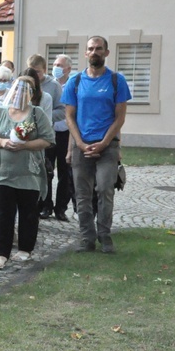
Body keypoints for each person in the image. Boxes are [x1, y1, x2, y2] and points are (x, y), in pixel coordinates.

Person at [0, 76, 55, 269]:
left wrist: (26, 145)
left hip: (28, 172)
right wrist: (1, 142)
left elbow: (47, 140)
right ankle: (1, 254)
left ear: (31, 94)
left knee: (28, 212)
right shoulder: (0, 112)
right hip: (2, 172)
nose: (20, 93)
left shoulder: (36, 113)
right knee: (4, 213)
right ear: (11, 91)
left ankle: (25, 249)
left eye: (26, 90)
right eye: (17, 89)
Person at [62, 36, 131, 253]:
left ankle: (105, 236)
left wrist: (104, 143)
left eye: (99, 49)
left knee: (104, 189)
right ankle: (86, 238)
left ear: (106, 53)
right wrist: (80, 145)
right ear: (85, 53)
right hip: (82, 145)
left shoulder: (117, 81)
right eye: (90, 49)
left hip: (108, 146)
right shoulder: (75, 82)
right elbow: (69, 117)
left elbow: (119, 117)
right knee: (82, 194)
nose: (94, 52)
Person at [47, 54, 75, 221]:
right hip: (50, 132)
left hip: (66, 133)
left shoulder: (72, 85)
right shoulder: (49, 85)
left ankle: (61, 208)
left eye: (60, 65)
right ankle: (46, 206)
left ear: (68, 69)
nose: (56, 67)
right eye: (55, 64)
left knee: (65, 172)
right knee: (47, 170)